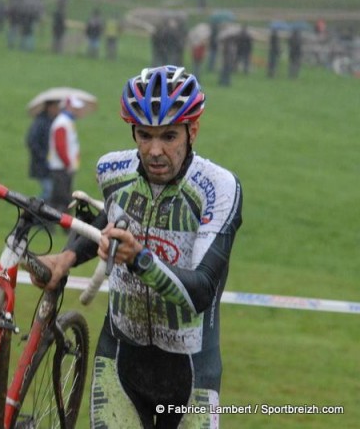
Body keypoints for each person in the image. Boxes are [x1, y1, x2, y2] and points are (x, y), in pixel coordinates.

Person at [31, 66, 243, 428]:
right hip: (119, 365)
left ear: (193, 130)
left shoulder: (217, 188)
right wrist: (65, 258)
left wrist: (140, 259)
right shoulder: (113, 171)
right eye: (144, 135)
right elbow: (105, 221)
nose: (155, 150)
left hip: (191, 377)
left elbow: (202, 290)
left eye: (169, 136)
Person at [47, 95, 85, 215]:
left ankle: (53, 223)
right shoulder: (62, 123)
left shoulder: (66, 122)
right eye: (75, 107)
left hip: (63, 167)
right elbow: (60, 147)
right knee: (64, 198)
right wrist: (68, 164)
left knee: (58, 198)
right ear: (68, 106)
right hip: (61, 168)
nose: (77, 110)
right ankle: (66, 226)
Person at [26, 100, 60, 202]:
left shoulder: (53, 121)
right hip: (42, 164)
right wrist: (44, 157)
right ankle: (32, 208)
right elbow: (32, 141)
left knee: (51, 192)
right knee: (48, 191)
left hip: (50, 164)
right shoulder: (41, 122)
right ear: (49, 107)